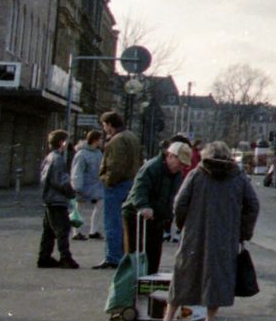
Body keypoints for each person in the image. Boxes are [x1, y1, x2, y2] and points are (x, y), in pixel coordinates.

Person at [161, 142, 260, 321]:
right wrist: (243, 232)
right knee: (217, 276)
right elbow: (253, 205)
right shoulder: (238, 177)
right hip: (226, 236)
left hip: (194, 233)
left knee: (183, 274)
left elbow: (180, 202)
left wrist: (182, 224)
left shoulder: (197, 174)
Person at [124, 140, 195, 274]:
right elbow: (139, 189)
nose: (181, 167)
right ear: (170, 156)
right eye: (180, 163)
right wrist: (143, 206)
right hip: (136, 215)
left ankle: (149, 280)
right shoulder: (152, 167)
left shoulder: (177, 174)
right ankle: (132, 282)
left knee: (154, 255)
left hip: (157, 217)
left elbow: (174, 196)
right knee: (136, 256)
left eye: (184, 165)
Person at [94, 111, 143, 269]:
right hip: (130, 182)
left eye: (104, 125)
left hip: (117, 185)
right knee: (124, 223)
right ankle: (123, 254)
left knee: (112, 222)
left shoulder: (116, 140)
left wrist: (107, 180)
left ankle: (113, 257)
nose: (104, 128)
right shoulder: (132, 137)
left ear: (110, 124)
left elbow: (115, 165)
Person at [36, 130, 79, 269]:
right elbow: (61, 180)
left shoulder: (49, 157)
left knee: (49, 231)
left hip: (49, 198)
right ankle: (65, 258)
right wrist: (71, 193)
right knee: (62, 230)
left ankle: (44, 257)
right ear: (62, 142)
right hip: (57, 200)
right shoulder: (58, 159)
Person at [69, 128, 105, 241]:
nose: (102, 141)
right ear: (95, 140)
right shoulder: (81, 154)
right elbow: (77, 170)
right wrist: (76, 186)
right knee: (78, 209)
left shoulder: (98, 153)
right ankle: (76, 232)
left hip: (96, 184)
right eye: (100, 139)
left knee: (100, 204)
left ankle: (93, 231)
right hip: (83, 184)